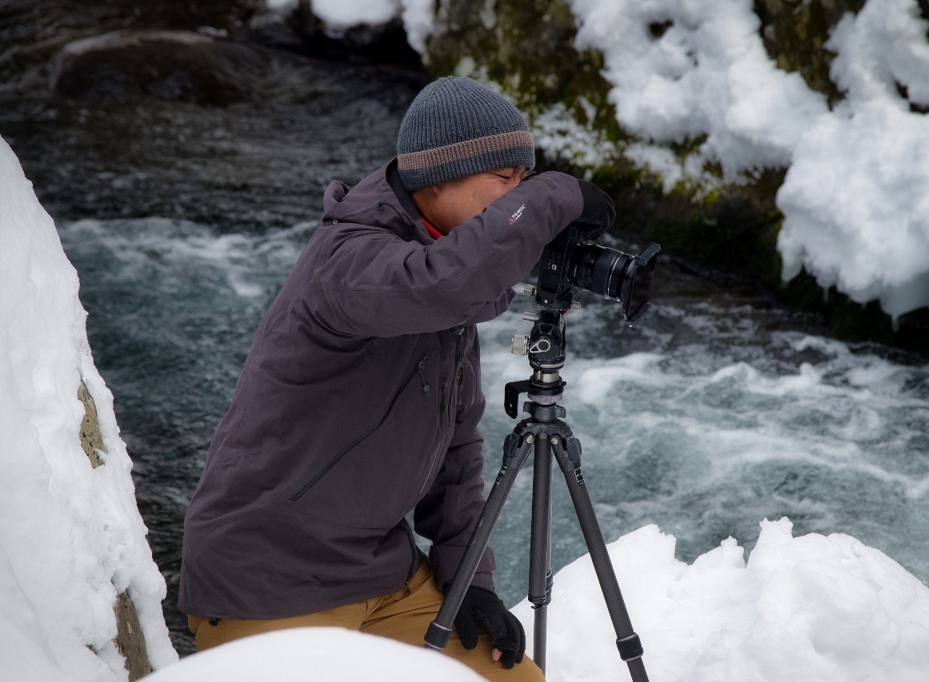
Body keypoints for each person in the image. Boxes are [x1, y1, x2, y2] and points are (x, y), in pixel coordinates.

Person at [178, 76, 614, 680]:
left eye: (525, 181)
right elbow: (446, 280)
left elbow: (454, 445)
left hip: (384, 578)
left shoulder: (442, 282)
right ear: (437, 179)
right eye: (506, 181)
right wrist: (552, 196)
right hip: (269, 581)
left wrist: (471, 577)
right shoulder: (352, 262)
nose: (519, 197)